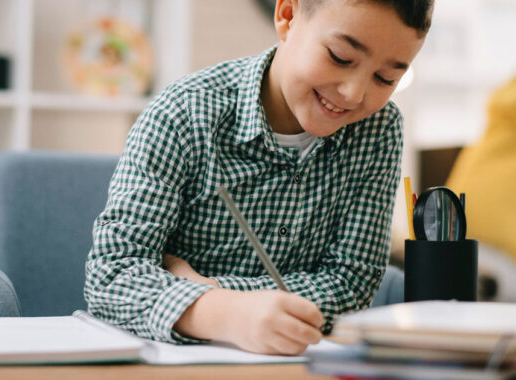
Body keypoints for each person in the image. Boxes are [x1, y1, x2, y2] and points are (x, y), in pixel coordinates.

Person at [85, 0, 433, 355]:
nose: (354, 93)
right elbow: (111, 275)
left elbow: (350, 284)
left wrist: (208, 291)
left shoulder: (378, 129)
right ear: (287, 16)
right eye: (340, 57)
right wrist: (220, 313)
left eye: (386, 78)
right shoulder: (184, 113)